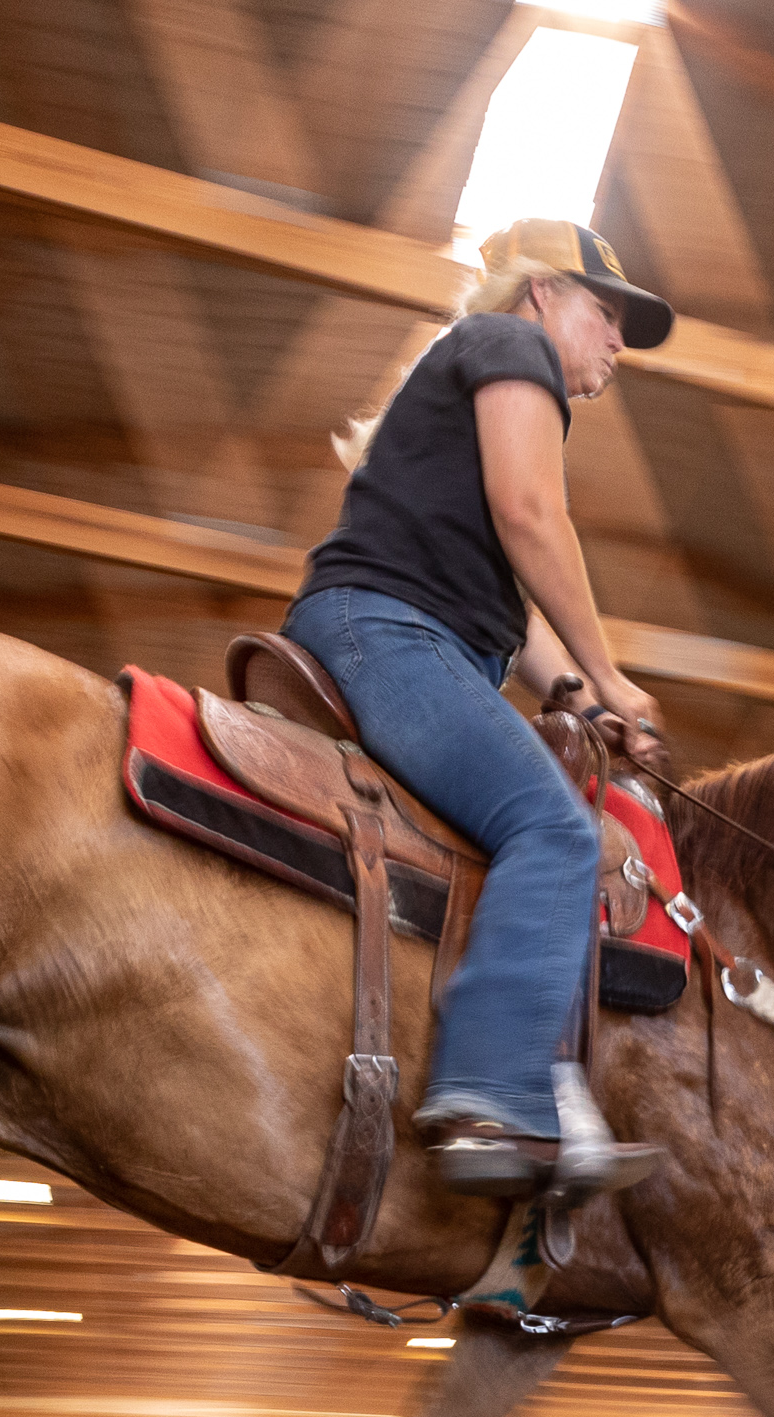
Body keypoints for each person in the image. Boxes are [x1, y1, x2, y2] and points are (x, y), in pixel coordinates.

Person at [281, 219, 677, 1204]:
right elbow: (531, 517)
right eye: (605, 312)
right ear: (540, 292)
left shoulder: (473, 370)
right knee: (555, 830)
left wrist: (574, 693)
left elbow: (507, 590)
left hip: (399, 632)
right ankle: (492, 1096)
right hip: (391, 632)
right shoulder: (509, 344)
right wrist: (611, 672)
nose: (618, 340)